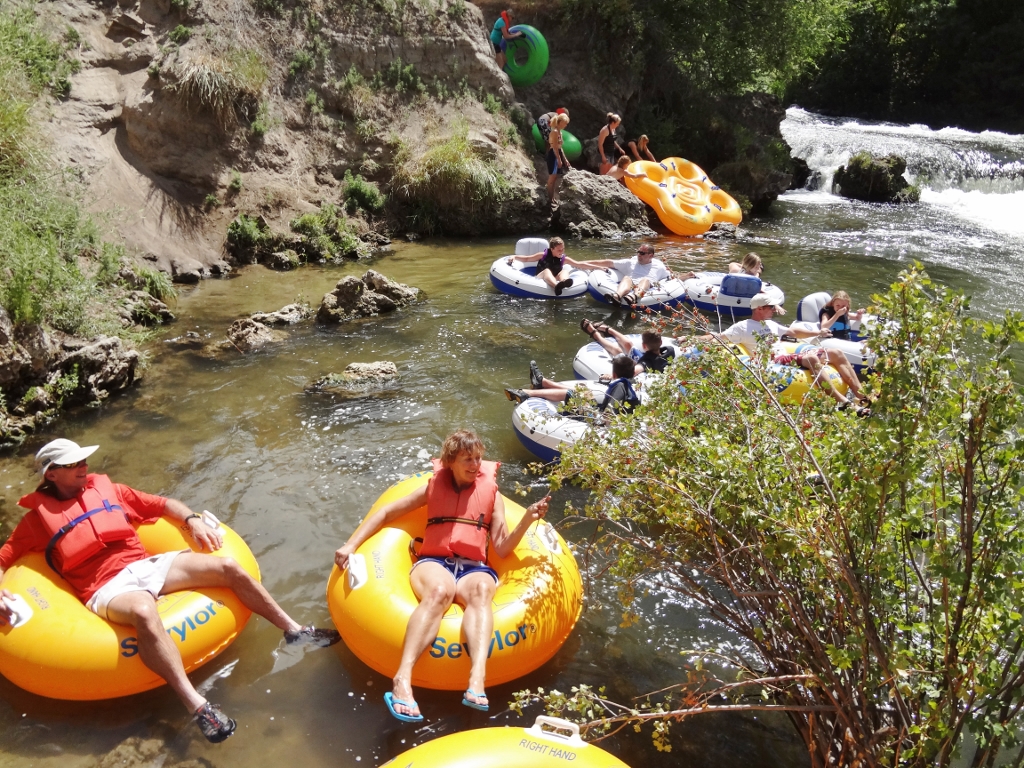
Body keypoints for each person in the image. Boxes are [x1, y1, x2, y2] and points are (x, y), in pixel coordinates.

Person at [0, 439, 340, 743]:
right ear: (51, 474)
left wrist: (191, 519)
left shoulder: (110, 490)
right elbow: (4, 558)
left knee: (230, 568)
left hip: (148, 566)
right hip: (105, 587)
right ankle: (198, 706)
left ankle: (295, 631)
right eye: (73, 465)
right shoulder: (35, 523)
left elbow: (163, 505)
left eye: (83, 461)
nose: (83, 467)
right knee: (145, 611)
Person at [333, 430, 548, 723]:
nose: (475, 465)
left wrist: (527, 519)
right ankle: (402, 681)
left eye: (478, 458)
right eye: (467, 459)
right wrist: (351, 545)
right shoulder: (432, 487)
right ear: (450, 462)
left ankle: (476, 680)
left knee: (483, 590)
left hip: (474, 567)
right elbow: (384, 513)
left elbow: (501, 546)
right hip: (434, 561)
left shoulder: (491, 494)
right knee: (439, 592)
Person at [696, 294, 870, 415]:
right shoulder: (742, 327)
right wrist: (693, 339)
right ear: (759, 309)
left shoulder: (771, 324)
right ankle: (841, 402)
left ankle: (861, 397)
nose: (775, 309)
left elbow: (793, 331)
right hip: (772, 361)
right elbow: (719, 337)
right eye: (771, 307)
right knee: (811, 358)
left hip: (785, 356)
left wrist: (817, 332)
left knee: (836, 352)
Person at [505, 354, 641, 418]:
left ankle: (527, 393)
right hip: (601, 414)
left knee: (573, 395)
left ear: (614, 373)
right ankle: (542, 383)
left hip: (600, 423)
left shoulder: (620, 387)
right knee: (583, 391)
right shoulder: (625, 384)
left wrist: (590, 410)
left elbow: (609, 415)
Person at [583, 244, 692, 306]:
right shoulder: (631, 262)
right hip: (629, 286)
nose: (639, 255)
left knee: (645, 280)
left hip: (647, 290)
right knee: (627, 278)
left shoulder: (659, 266)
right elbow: (608, 262)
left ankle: (634, 297)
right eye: (638, 252)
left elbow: (671, 278)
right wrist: (583, 264)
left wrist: (686, 276)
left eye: (642, 253)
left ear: (651, 255)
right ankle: (617, 296)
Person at [510, 236, 608, 295]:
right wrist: (515, 256)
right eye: (559, 250)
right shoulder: (543, 255)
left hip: (555, 278)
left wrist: (599, 267)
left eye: (563, 249)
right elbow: (527, 258)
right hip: (539, 279)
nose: (561, 252)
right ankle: (556, 286)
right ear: (552, 249)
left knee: (565, 271)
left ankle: (564, 282)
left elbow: (579, 264)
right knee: (547, 271)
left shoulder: (563, 259)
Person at [577, 323, 676, 375]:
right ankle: (608, 330)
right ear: (661, 342)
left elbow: (633, 372)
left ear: (644, 346)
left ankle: (597, 335)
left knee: (618, 351)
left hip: (645, 370)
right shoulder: (670, 350)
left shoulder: (646, 363)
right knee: (628, 344)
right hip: (648, 359)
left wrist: (611, 376)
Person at [546, 113, 572, 205]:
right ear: (560, 122)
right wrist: (559, 160)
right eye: (564, 123)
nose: (565, 125)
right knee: (552, 177)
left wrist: (565, 159)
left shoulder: (559, 132)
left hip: (557, 154)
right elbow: (555, 148)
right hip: (553, 155)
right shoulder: (555, 132)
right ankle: (549, 198)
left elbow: (560, 148)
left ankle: (552, 198)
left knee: (555, 177)